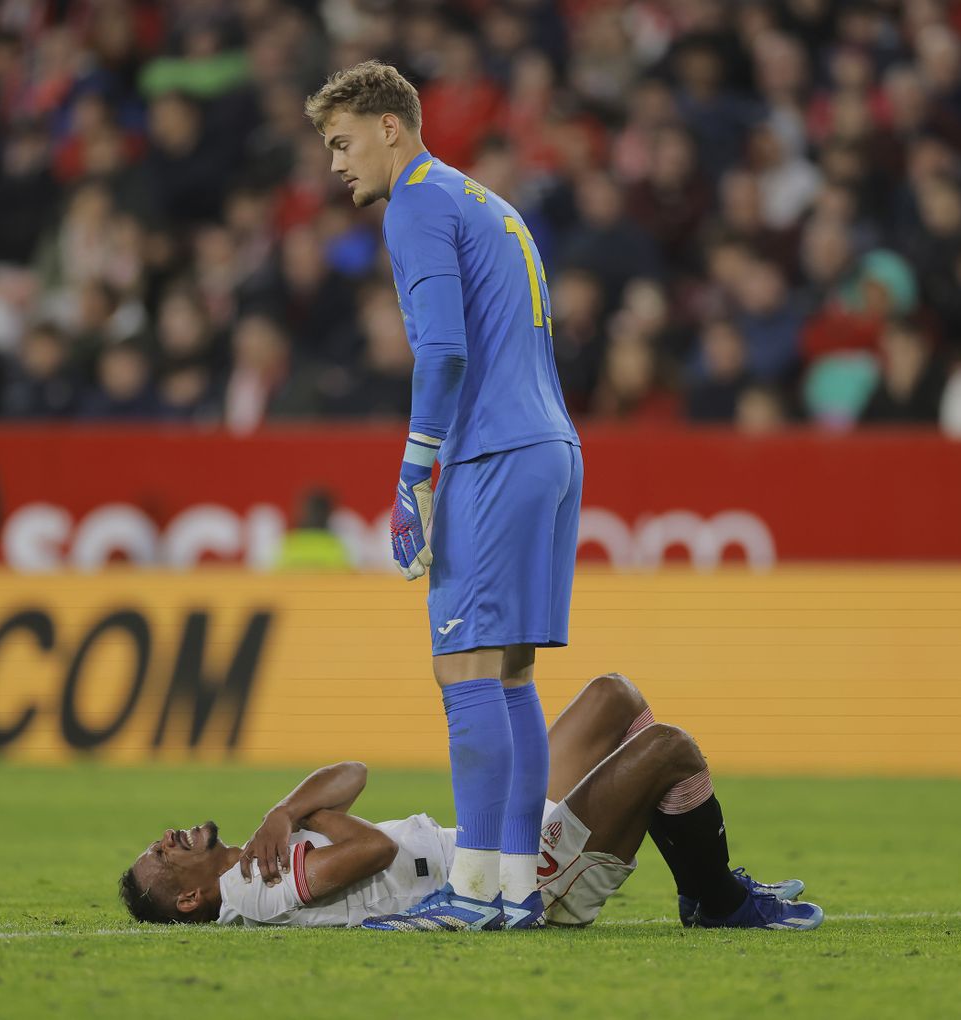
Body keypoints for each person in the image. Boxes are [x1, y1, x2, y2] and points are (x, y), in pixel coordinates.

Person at [304, 61, 582, 930]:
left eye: (345, 143)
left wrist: (416, 471)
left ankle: (468, 892)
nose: (337, 166)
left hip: (492, 451)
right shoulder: (490, 203)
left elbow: (447, 353)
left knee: (462, 669)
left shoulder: (419, 202)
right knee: (510, 676)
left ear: (393, 126)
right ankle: (513, 887)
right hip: (553, 447)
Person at [119, 673, 823, 932]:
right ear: (188, 901)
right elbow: (375, 849)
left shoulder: (265, 848)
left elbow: (353, 771)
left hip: (499, 845)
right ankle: (719, 903)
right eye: (159, 858)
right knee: (669, 747)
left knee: (617, 697)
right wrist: (304, 814)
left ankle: (702, 890)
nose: (164, 839)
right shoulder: (258, 887)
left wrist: (284, 810)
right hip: (529, 884)